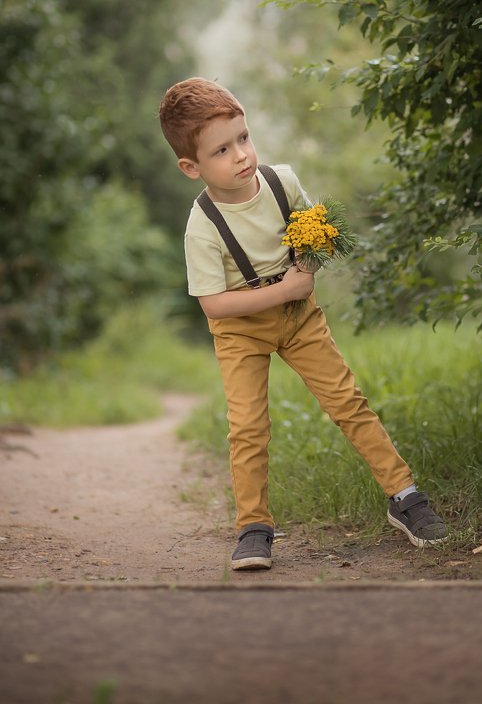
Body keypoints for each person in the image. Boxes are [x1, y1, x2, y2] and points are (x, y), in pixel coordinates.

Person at [159, 77, 447, 571]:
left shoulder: (280, 183)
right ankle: (254, 527)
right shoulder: (203, 224)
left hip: (299, 320)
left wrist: (309, 266)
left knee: (347, 401)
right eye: (222, 150)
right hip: (240, 331)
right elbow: (212, 305)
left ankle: (405, 496)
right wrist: (286, 288)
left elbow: (315, 235)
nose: (242, 155)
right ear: (192, 167)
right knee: (248, 426)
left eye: (244, 138)